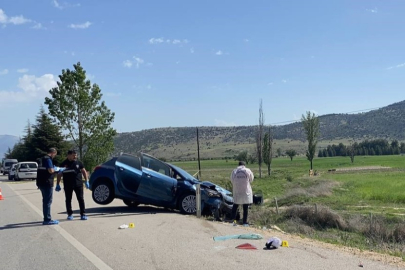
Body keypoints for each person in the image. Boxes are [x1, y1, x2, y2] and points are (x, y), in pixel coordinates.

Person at [56, 150, 89, 220]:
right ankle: (70, 214)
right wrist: (57, 184)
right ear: (69, 155)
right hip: (68, 185)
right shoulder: (63, 164)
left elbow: (84, 171)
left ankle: (83, 214)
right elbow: (59, 174)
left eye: (76, 155)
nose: (75, 157)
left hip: (78, 184)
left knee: (80, 199)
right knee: (68, 199)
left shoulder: (79, 163)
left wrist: (86, 181)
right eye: (74, 155)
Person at [36, 148, 59, 225]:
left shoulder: (42, 159)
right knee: (48, 201)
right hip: (47, 182)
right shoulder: (48, 159)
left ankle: (46, 217)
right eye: (55, 154)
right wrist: (56, 169)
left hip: (41, 182)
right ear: (53, 153)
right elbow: (50, 170)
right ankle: (47, 219)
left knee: (45, 201)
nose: (54, 156)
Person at [230, 161, 254, 226]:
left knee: (235, 206)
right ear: (244, 165)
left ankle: (233, 221)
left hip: (237, 191)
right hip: (246, 191)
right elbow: (251, 179)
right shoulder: (248, 171)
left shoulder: (234, 171)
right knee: (245, 208)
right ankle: (244, 222)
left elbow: (232, 180)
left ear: (238, 165)